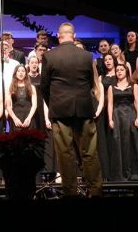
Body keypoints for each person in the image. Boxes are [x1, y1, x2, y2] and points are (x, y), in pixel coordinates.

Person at [41, 22, 102, 198]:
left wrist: (53, 102)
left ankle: (71, 194)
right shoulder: (86, 56)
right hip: (83, 108)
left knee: (65, 154)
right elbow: (91, 82)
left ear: (59, 37)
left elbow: (44, 86)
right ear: (74, 36)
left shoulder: (50, 56)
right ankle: (96, 191)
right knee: (89, 152)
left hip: (60, 110)